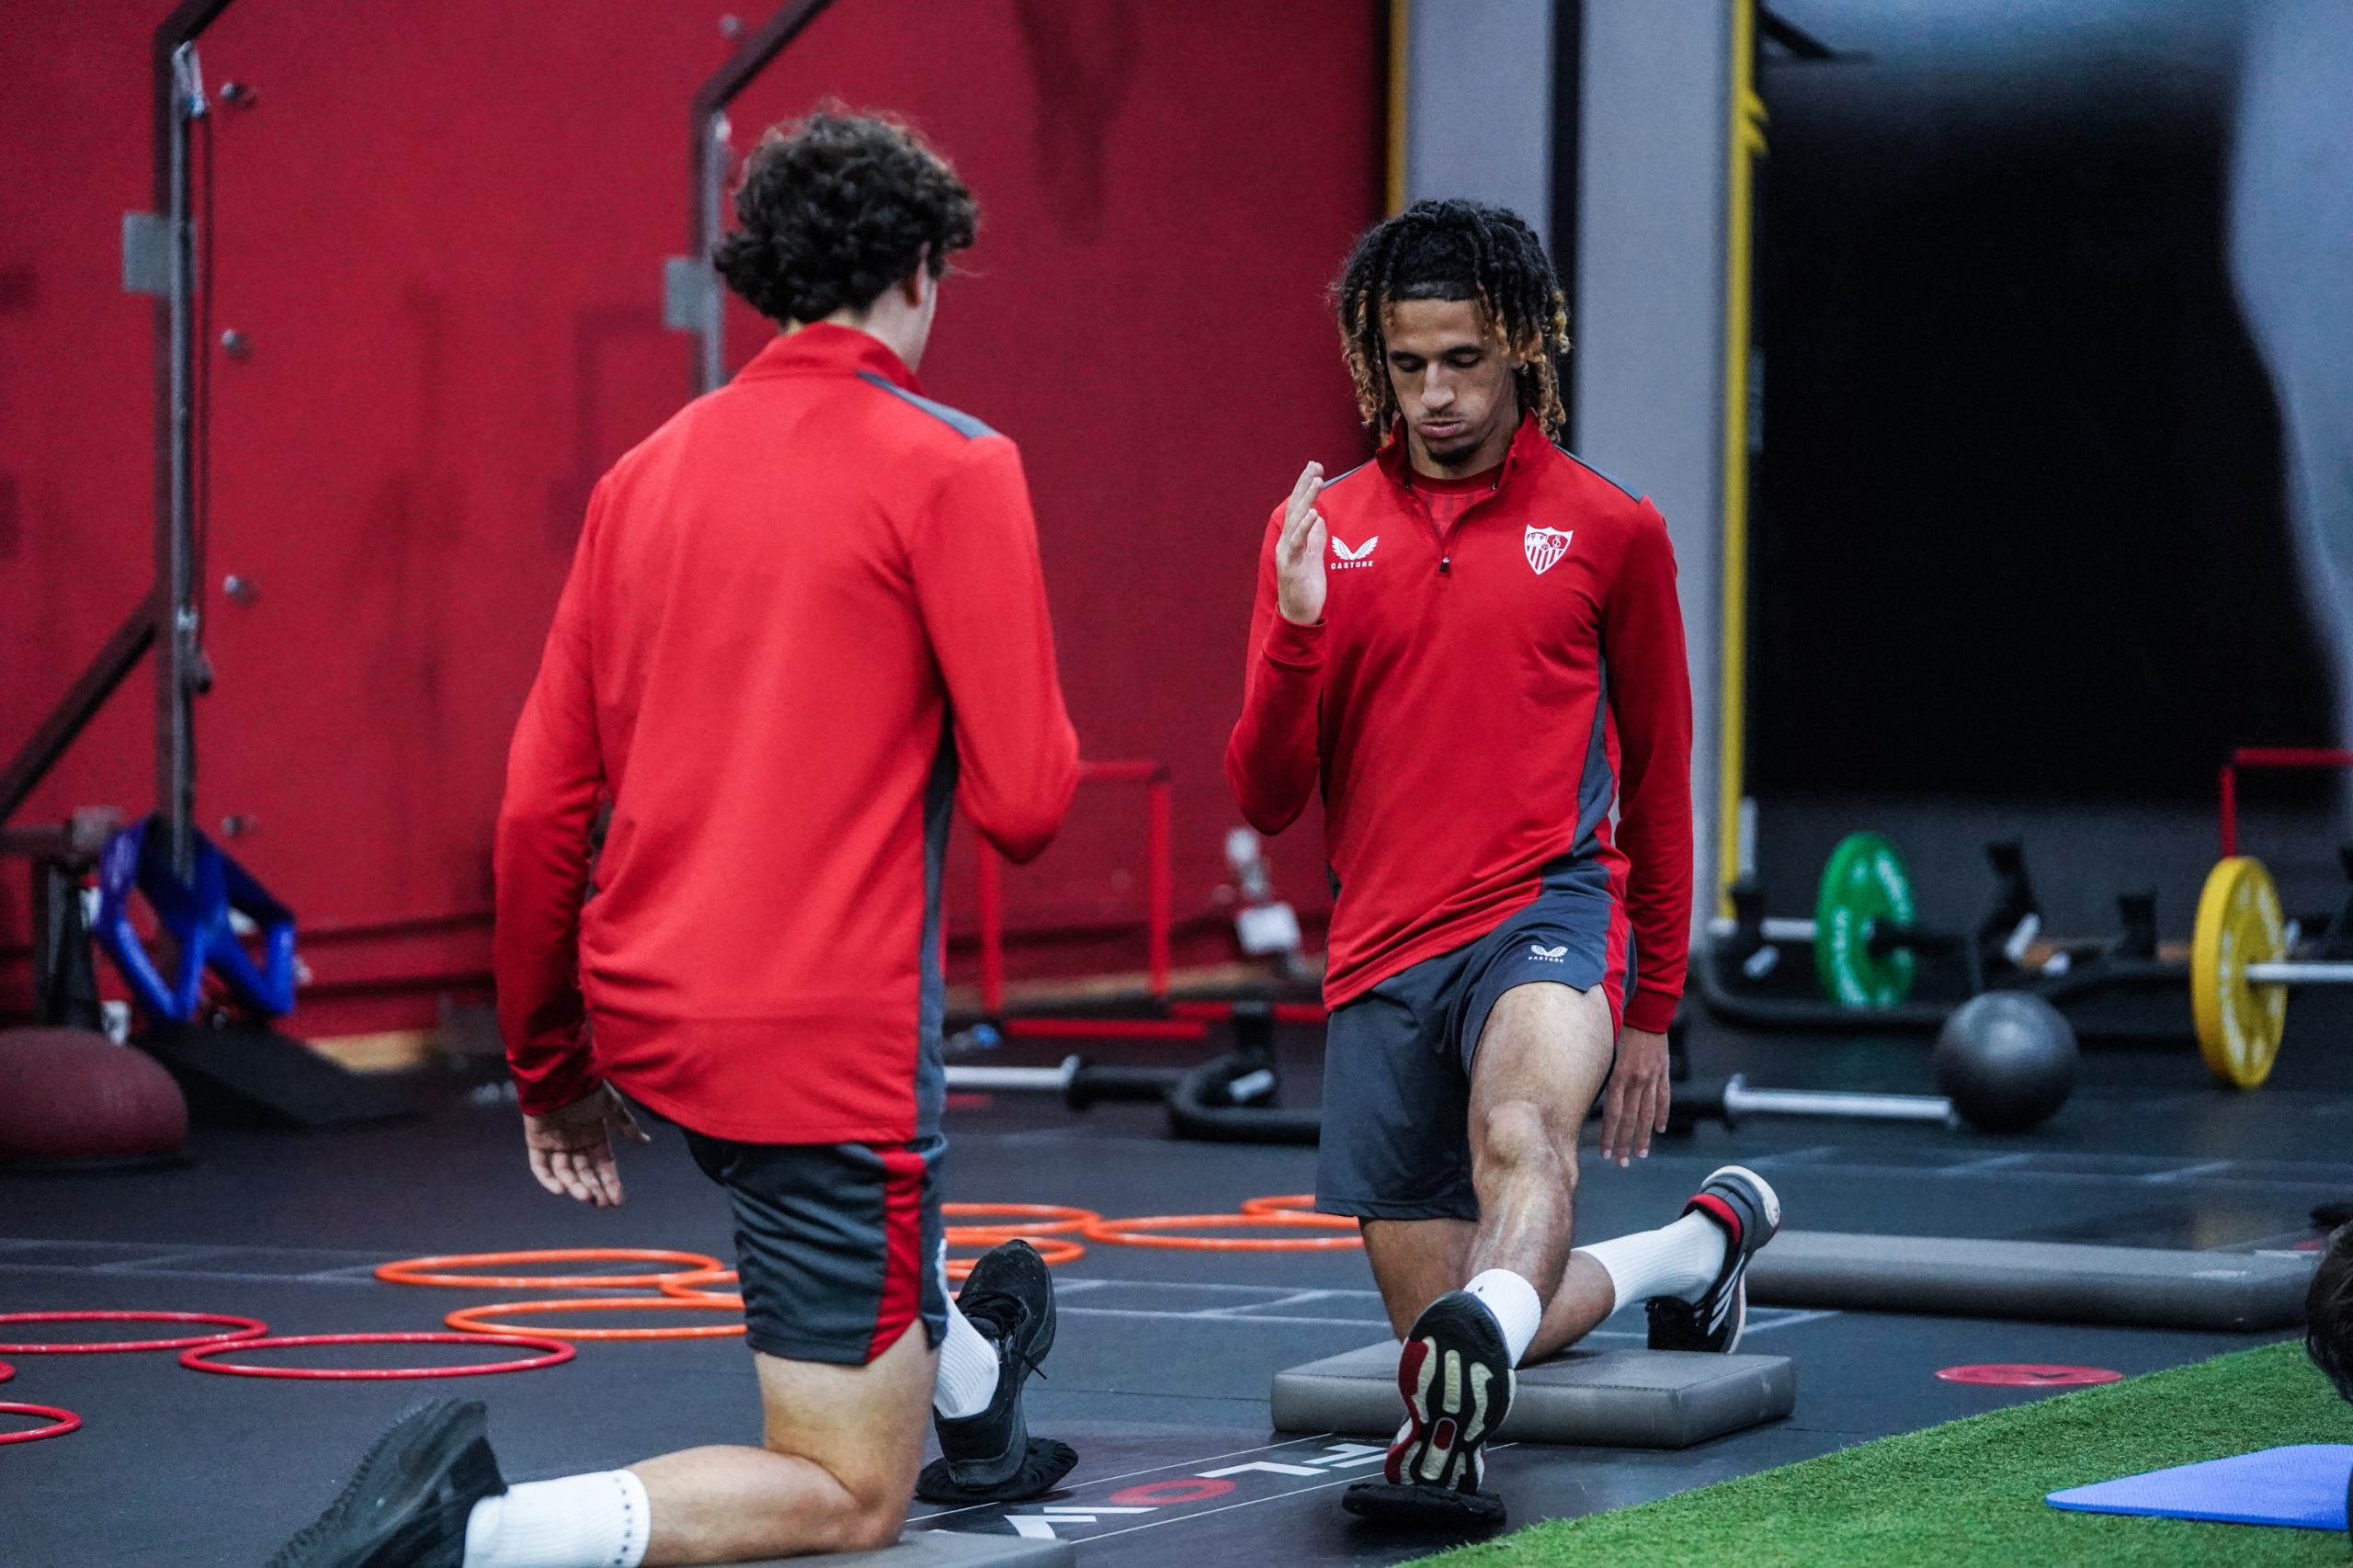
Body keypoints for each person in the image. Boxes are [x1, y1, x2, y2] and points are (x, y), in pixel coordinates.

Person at [270, 110, 1082, 1568]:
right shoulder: (959, 464)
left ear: (764, 275)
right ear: (918, 265)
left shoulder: (641, 473)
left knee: (882, 1249)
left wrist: (553, 1068)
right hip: (822, 1064)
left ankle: (973, 1376)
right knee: (849, 1492)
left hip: (654, 1036)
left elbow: (537, 813)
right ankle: (477, 1535)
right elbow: (1029, 804)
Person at [1225, 199, 1780, 1529]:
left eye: (1464, 359)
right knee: (1476, 1329)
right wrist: (1298, 630)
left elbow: (1658, 776)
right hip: (1379, 944)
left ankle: (1444, 1446)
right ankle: (1690, 1252)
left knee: (1522, 1135)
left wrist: (1651, 1007)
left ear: (1523, 347)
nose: (1436, 394)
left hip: (1547, 910)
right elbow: (1267, 792)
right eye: (1408, 364)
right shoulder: (1317, 533)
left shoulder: (1610, 529)